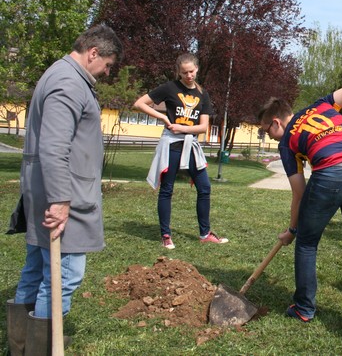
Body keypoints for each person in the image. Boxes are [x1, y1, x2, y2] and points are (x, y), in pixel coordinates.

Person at [8, 24, 123, 355]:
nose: (107, 72)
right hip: (60, 194)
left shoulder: (61, 74)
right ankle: (41, 347)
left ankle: (21, 346)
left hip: (46, 189)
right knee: (64, 274)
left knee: (35, 268)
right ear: (93, 53)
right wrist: (60, 202)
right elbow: (54, 147)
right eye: (108, 65)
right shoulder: (69, 83)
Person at [257, 84, 342, 348]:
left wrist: (293, 230)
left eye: (265, 131)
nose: (268, 136)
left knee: (306, 242)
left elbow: (299, 193)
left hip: (330, 173)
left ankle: (304, 308)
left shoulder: (288, 140)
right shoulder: (320, 105)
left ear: (276, 123)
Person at [133, 53, 228, 249]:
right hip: (171, 146)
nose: (188, 76)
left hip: (190, 146)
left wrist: (182, 128)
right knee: (167, 189)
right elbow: (139, 103)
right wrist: (163, 119)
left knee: (205, 187)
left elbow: (203, 128)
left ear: (197, 69)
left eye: (191, 71)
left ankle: (205, 233)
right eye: (184, 72)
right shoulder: (170, 88)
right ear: (179, 72)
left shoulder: (203, 94)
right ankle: (166, 235)